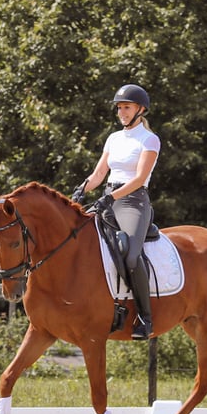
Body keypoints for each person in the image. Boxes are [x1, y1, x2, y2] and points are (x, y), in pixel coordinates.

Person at [72, 83, 160, 340]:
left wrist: (110, 198)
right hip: (108, 198)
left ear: (140, 110)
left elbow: (140, 177)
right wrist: (81, 190)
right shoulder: (114, 138)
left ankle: (145, 318)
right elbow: (100, 173)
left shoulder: (149, 139)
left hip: (133, 202)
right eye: (119, 107)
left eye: (126, 107)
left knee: (131, 255)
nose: (121, 112)